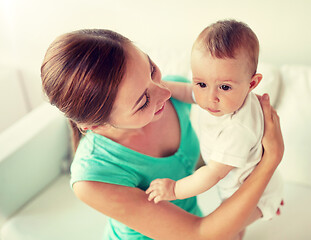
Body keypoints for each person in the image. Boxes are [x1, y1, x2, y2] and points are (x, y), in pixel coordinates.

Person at [41, 28, 284, 240]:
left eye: (152, 70)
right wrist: (272, 157)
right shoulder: (93, 179)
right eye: (143, 101)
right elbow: (199, 234)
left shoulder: (175, 93)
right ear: (95, 126)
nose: (164, 93)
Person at [146, 20, 284, 239]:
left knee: (224, 232)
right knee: (234, 230)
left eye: (225, 87)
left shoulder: (238, 128)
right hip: (239, 186)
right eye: (201, 84)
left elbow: (213, 174)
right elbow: (186, 92)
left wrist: (174, 190)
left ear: (252, 83)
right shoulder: (218, 98)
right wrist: (160, 89)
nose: (210, 98)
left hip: (256, 194)